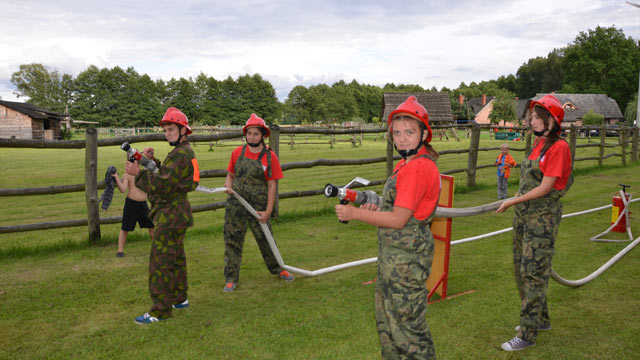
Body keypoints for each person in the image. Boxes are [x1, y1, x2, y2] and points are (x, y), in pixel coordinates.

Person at [335, 96, 440, 359]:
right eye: (397, 133)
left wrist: (355, 213)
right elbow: (396, 211)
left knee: (408, 334)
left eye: (409, 132)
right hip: (395, 259)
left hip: (406, 262)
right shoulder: (408, 164)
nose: (402, 139)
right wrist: (375, 210)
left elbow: (399, 220)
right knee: (389, 326)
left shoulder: (416, 168)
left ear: (424, 134)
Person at [496, 94, 573, 351]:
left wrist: (512, 202)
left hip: (542, 219)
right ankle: (540, 320)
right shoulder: (537, 144)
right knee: (521, 269)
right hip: (523, 215)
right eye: (533, 115)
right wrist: (516, 198)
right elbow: (527, 183)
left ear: (553, 120)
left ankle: (527, 335)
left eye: (540, 116)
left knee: (534, 273)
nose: (534, 119)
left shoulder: (558, 147)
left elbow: (545, 187)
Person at [125, 107, 200, 325]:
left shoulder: (181, 154)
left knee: (160, 263)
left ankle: (159, 310)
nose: (167, 133)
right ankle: (179, 298)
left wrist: (138, 174)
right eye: (165, 129)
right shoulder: (181, 153)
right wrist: (152, 161)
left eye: (171, 129)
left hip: (171, 216)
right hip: (176, 214)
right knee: (175, 258)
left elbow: (164, 185)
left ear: (183, 130)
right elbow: (169, 175)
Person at [222, 113, 294, 293]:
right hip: (236, 206)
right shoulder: (237, 153)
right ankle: (231, 278)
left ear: (263, 135)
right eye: (249, 133)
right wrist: (228, 186)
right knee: (232, 240)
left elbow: (272, 185)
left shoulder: (270, 157)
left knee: (266, 239)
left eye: (255, 133)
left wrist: (268, 210)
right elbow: (230, 175)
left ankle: (279, 268)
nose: (251, 137)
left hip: (258, 208)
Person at [111, 168, 154, 257]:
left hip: (143, 204)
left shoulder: (145, 173)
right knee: (125, 227)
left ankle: (157, 247)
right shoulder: (127, 175)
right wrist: (116, 177)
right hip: (131, 204)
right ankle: (120, 251)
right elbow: (123, 189)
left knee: (151, 225)